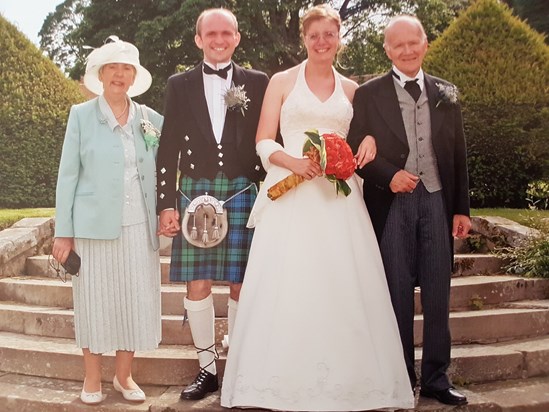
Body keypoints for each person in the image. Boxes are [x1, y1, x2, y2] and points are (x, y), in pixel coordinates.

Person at [220, 5, 415, 411]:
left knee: (341, 281)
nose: (322, 42)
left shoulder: (353, 90)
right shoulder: (281, 82)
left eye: (330, 34)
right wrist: (291, 161)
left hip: (337, 198)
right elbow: (263, 139)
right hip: (291, 192)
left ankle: (354, 381)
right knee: (288, 279)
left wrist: (370, 144)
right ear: (304, 39)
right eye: (315, 35)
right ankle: (274, 381)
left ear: (339, 38)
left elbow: (367, 136)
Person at [347, 15, 471, 407]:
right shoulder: (368, 94)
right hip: (392, 205)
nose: (407, 50)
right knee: (397, 294)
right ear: (387, 50)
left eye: (412, 42)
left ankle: (437, 377)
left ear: (425, 43)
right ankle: (401, 377)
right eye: (397, 45)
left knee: (438, 292)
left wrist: (460, 209)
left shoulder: (445, 92)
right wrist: (388, 175)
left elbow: (457, 154)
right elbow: (356, 151)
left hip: (436, 199)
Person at [155, 8, 269, 401]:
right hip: (194, 192)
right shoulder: (179, 84)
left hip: (241, 190)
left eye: (226, 33)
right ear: (198, 39)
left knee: (242, 281)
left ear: (237, 37)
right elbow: (167, 147)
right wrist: (165, 204)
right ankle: (207, 369)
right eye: (211, 34)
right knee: (197, 281)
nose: (219, 40)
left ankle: (236, 363)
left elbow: (268, 140)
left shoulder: (258, 81)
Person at [52, 36, 163, 405]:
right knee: (94, 303)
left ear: (134, 76)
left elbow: (163, 172)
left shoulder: (151, 119)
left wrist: (167, 211)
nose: (119, 74)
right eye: (112, 67)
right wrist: (63, 233)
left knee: (132, 301)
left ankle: (124, 376)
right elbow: (67, 176)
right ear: (100, 74)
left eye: (126, 68)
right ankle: (91, 378)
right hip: (92, 228)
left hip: (138, 227)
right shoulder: (80, 116)